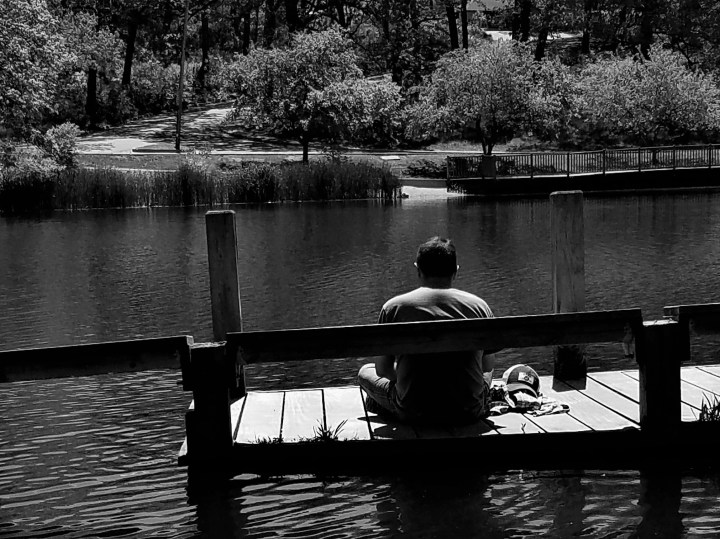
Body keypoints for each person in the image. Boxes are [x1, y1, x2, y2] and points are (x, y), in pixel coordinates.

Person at [357, 236, 496, 425]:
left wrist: (412, 376)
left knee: (365, 371)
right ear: (455, 271)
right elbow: (487, 366)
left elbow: (382, 370)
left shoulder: (394, 308)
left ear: (418, 270)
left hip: (412, 410)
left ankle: (386, 405)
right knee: (485, 370)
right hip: (468, 410)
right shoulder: (480, 307)